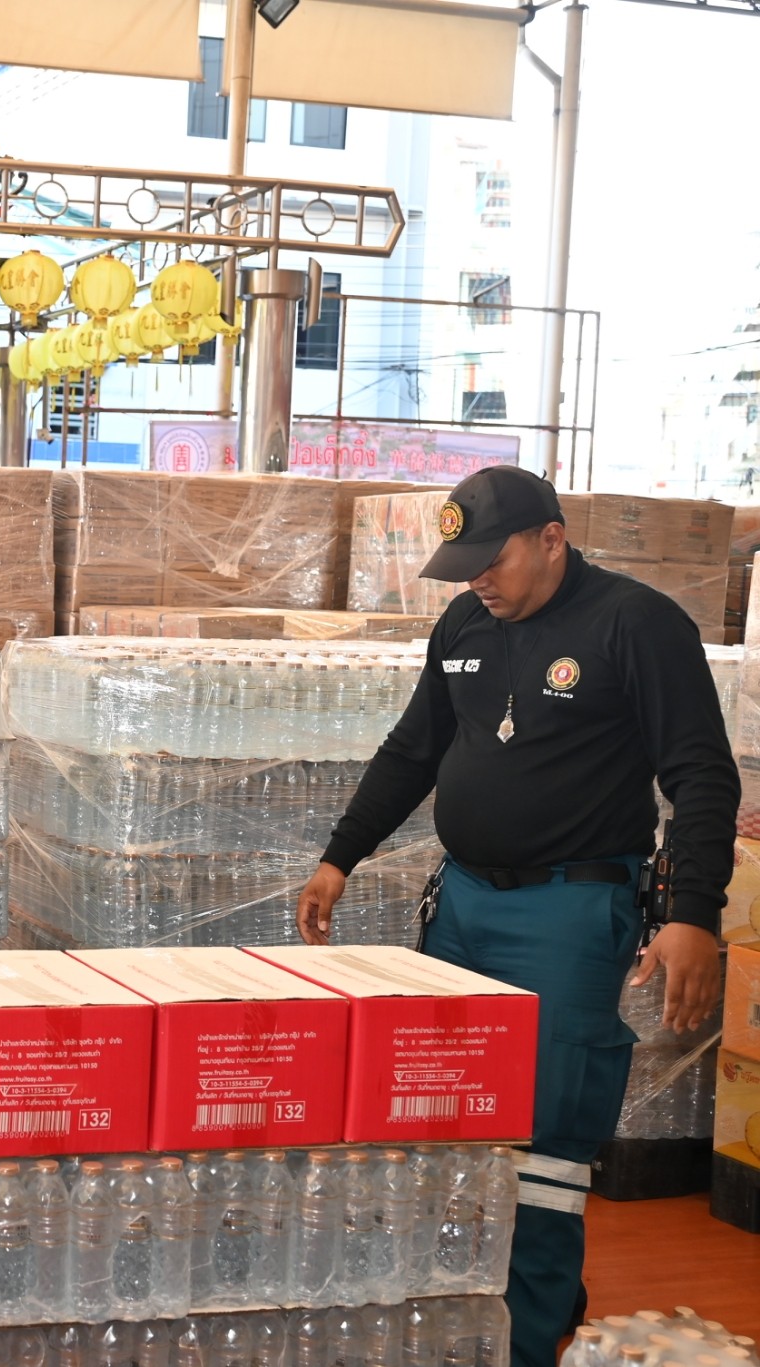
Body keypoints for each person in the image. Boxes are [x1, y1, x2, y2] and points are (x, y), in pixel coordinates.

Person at [294, 464, 733, 1367]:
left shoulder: (636, 624)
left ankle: (525, 1341)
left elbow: (700, 774)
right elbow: (414, 749)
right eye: (464, 568)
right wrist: (341, 855)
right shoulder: (464, 624)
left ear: (552, 539)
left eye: (492, 562)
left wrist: (692, 912)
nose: (478, 582)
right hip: (461, 906)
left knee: (546, 1142)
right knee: (450, 1119)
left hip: (570, 909)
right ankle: (479, 1314)